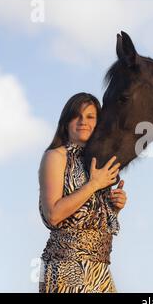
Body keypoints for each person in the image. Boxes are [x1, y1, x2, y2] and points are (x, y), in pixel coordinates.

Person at [38, 92, 127, 293]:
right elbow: (53, 215)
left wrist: (114, 207)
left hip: (100, 269)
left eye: (90, 117)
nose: (82, 121)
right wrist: (93, 185)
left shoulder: (99, 161)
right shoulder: (55, 157)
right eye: (76, 116)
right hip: (67, 267)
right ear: (66, 121)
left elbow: (88, 216)